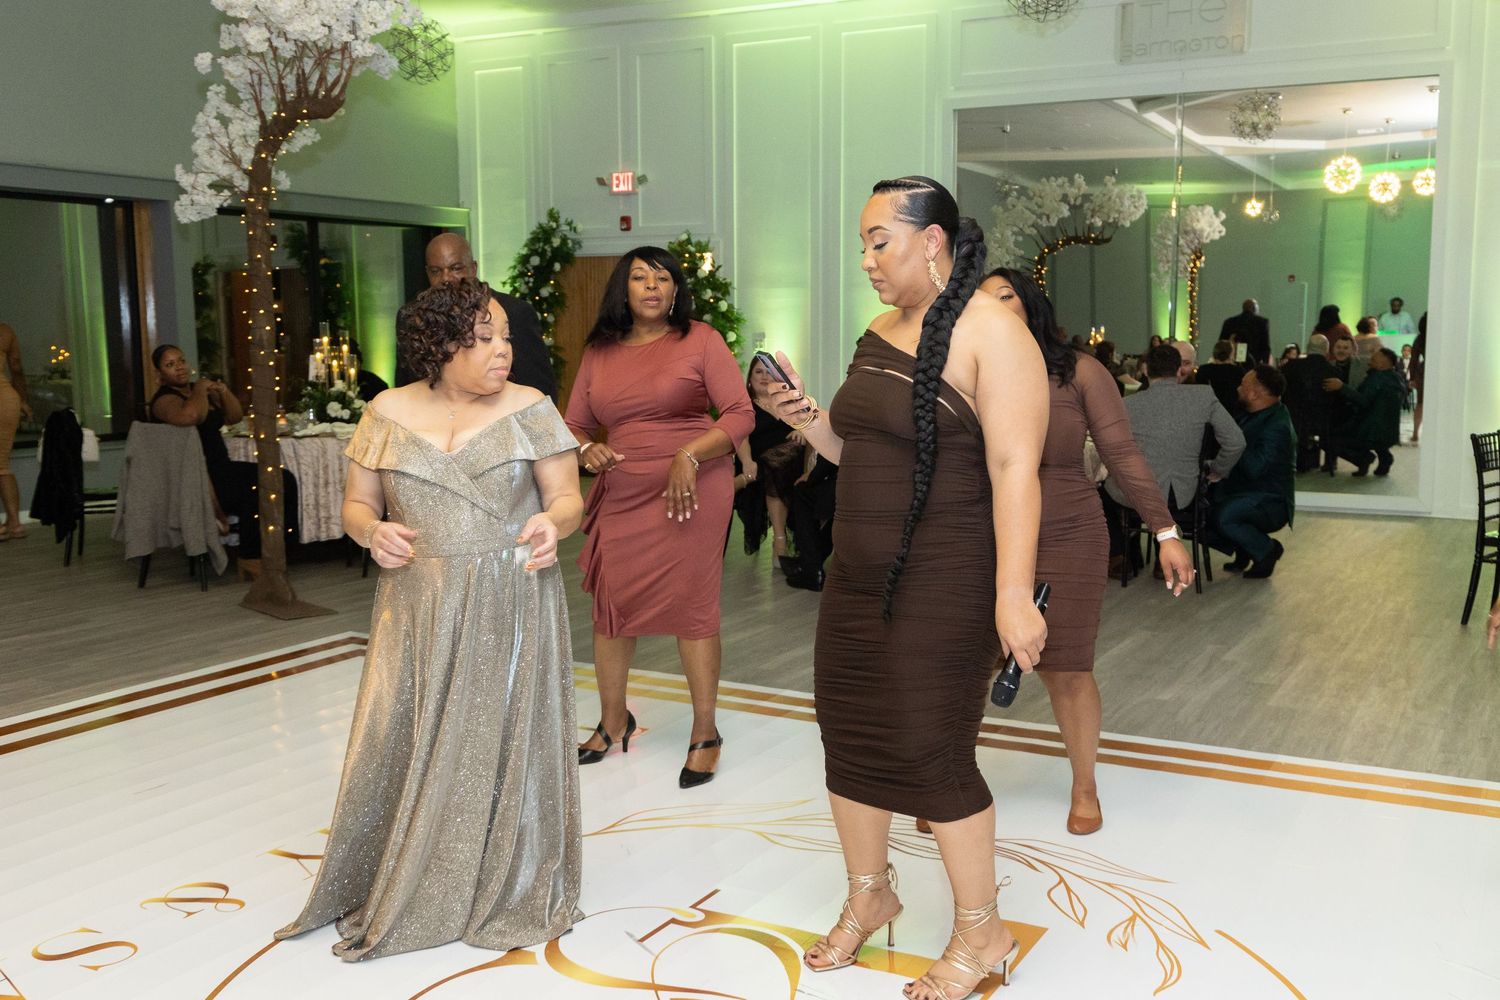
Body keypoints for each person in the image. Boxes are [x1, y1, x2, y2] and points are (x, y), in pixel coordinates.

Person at [760, 177, 1048, 999]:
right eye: (863, 244)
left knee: (933, 751)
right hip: (855, 576)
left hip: (948, 578)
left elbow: (1015, 470)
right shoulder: (880, 331)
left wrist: (1013, 594)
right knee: (848, 738)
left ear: (933, 241)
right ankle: (870, 895)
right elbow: (855, 450)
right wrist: (799, 412)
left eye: (879, 242)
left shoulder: (994, 332)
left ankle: (982, 930)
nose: (867, 260)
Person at [275, 278, 585, 960]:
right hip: (416, 603)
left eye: (506, 337)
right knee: (406, 732)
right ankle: (411, 867)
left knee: (497, 735)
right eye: (485, 339)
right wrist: (370, 532)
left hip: (509, 596)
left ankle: (500, 875)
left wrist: (552, 522)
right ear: (440, 346)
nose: (504, 351)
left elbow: (568, 497)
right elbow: (357, 505)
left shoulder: (531, 408)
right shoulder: (386, 411)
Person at [981, 268, 1192, 842]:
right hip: (983, 532)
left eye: (1006, 296)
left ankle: (1084, 785)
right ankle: (948, 782)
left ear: (1032, 306)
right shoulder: (965, 370)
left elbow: (1121, 452)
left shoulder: (1079, 372)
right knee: (966, 663)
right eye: (981, 300)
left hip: (1067, 531)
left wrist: (1165, 531)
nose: (993, 307)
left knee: (1066, 668)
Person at [567, 247, 754, 789]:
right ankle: (613, 720)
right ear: (622, 290)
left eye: (662, 278)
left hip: (690, 491)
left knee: (693, 607)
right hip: (622, 492)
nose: (651, 286)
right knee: (612, 606)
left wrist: (689, 454)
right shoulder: (600, 351)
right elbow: (573, 424)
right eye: (639, 277)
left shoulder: (701, 340)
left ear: (675, 290)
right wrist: (585, 450)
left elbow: (740, 413)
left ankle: (705, 732)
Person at [1105, 344, 1244, 551]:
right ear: (1179, 370)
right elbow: (1236, 441)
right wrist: (1217, 469)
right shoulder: (1204, 396)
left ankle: (1122, 554)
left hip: (1139, 495)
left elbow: (1109, 448)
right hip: (1183, 494)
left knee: (1102, 489)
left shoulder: (1127, 404)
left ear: (1145, 370)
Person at [408, 233, 557, 398]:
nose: (446, 278)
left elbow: (540, 387)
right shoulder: (414, 318)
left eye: (456, 268)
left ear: (473, 268)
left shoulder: (514, 312)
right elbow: (409, 382)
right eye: (436, 271)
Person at [1204, 365, 1295, 578]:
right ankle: (1245, 547)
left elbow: (1255, 468)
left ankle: (1266, 550)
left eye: (1243, 385)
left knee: (1224, 516)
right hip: (1242, 488)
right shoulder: (1252, 413)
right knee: (1196, 512)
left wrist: (1233, 443)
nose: (1238, 389)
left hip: (1269, 499)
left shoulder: (1277, 426)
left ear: (1254, 394)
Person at [148, 343, 243, 534]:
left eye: (181, 361)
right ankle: (249, 547)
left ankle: (256, 544)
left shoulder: (200, 392)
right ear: (159, 374)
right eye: (170, 364)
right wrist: (200, 389)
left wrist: (223, 391)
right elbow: (190, 417)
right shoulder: (164, 399)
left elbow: (235, 417)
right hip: (197, 477)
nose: (179, 367)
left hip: (221, 466)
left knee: (280, 479)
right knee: (262, 489)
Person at [732, 356, 803, 574]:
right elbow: (741, 438)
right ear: (750, 378)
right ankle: (780, 541)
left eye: (769, 372)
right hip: (759, 462)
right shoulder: (744, 406)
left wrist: (801, 431)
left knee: (786, 459)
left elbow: (808, 422)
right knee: (773, 468)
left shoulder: (787, 402)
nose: (764, 376)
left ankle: (740, 483)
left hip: (792, 462)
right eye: (758, 372)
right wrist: (746, 462)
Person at [1323, 347, 1404, 476]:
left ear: (1382, 364)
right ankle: (1385, 458)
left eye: (1374, 359)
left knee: (1332, 438)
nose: (1369, 361)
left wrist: (1341, 387)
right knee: (1379, 443)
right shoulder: (1396, 379)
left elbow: (1363, 400)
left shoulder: (1377, 378)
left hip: (1369, 426)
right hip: (1387, 428)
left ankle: (1363, 459)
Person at [1280, 334, 1338, 473]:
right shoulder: (1333, 371)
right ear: (1326, 350)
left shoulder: (1291, 366)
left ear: (1307, 348)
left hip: (1294, 416)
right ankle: (1329, 462)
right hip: (1321, 420)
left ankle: (1295, 462)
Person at [0, 323, 32, 540]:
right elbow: (16, 367)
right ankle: (15, 523)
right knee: (2, 465)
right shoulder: (5, 331)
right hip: (6, 398)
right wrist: (22, 400)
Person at [1194, 339, 1244, 412]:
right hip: (1231, 411)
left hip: (1209, 409)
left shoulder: (1203, 370)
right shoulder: (1237, 371)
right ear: (1230, 354)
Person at [1219, 298, 1270, 364]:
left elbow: (1221, 344)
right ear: (1254, 308)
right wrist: (1265, 364)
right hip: (1254, 361)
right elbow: (1265, 346)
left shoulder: (1229, 322)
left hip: (1233, 360)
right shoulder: (1262, 322)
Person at [1410, 313, 1427, 443]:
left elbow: (1414, 360)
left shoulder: (1420, 339)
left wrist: (1412, 378)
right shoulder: (1442, 336)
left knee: (1420, 403)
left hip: (1423, 371)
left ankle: (1415, 432)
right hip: (1438, 369)